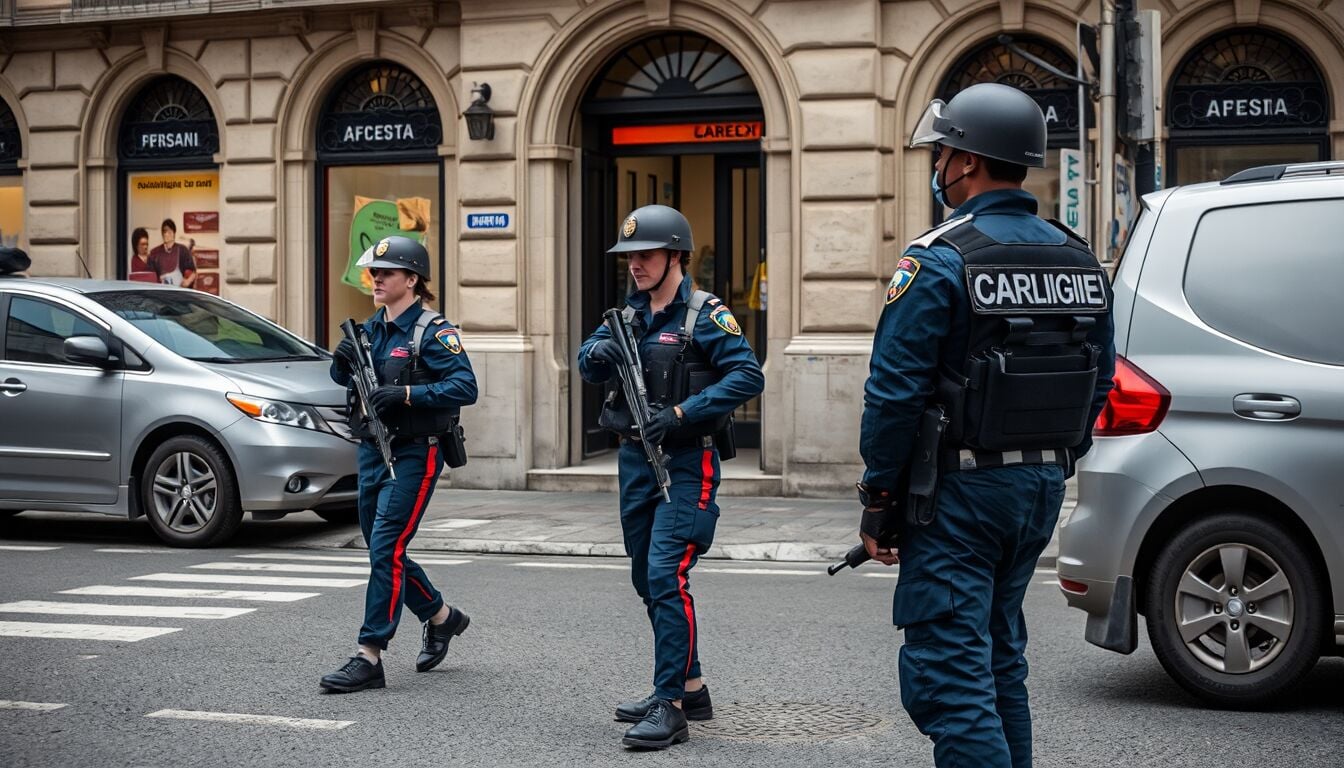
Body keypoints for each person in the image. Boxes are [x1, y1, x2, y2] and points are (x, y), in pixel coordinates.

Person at [857, 82, 1116, 768]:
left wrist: (879, 500)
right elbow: (1102, 378)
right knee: (1001, 664)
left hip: (958, 497)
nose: (937, 166)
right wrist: (1053, 461)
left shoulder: (939, 258)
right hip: (1036, 491)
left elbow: (892, 394)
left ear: (966, 161)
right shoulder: (1079, 257)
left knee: (951, 679)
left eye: (941, 153)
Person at [578, 204, 764, 750]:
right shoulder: (628, 315)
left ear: (675, 255)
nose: (634, 265)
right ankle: (692, 686)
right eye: (629, 257)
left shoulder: (706, 314)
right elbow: (588, 361)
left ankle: (671, 705)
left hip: (687, 462)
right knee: (645, 577)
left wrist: (682, 413)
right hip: (636, 460)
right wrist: (598, 351)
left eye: (645, 255)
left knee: (665, 575)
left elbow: (747, 374)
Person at [320, 235, 478, 693]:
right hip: (372, 448)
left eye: (385, 273)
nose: (375, 279)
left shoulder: (432, 331)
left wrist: (407, 394)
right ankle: (442, 617)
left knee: (385, 544)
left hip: (415, 451)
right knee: (381, 549)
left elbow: (465, 386)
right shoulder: (371, 329)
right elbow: (347, 379)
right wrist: (341, 361)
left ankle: (369, 655)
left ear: (411, 279)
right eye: (373, 272)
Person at [147, 218, 197, 287]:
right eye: (164, 231)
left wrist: (187, 281)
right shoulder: (154, 253)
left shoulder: (183, 250)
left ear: (174, 233)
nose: (166, 234)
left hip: (179, 291)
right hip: (162, 292)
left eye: (169, 232)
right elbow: (150, 278)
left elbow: (193, 272)